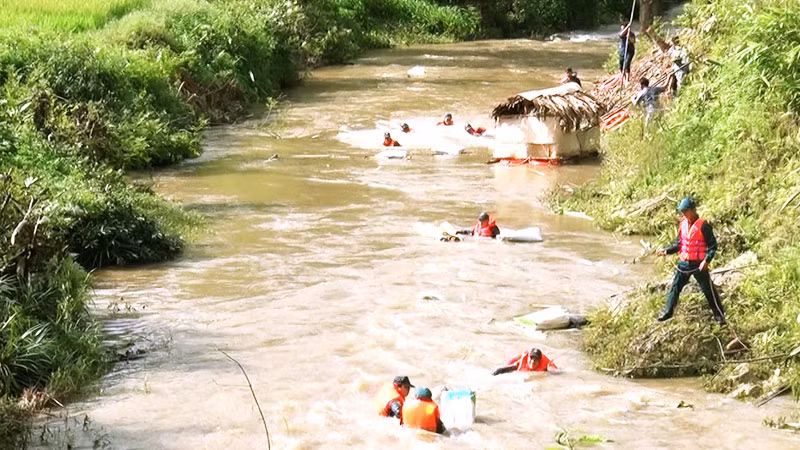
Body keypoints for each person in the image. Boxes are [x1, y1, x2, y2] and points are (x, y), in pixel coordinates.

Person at [656, 197, 726, 324]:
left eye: (685, 211)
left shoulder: (704, 226)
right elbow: (679, 244)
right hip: (684, 264)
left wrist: (706, 261)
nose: (683, 214)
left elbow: (712, 246)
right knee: (675, 287)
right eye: (682, 211)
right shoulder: (682, 224)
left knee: (708, 290)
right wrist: (666, 251)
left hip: (699, 265)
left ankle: (719, 316)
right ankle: (667, 312)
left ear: (693, 210)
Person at [646, 28, 690, 96]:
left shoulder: (683, 50)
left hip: (683, 72)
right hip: (677, 74)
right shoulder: (672, 50)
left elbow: (686, 61)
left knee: (682, 87)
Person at [492, 348, 558, 375]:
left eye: (536, 359)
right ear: (528, 358)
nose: (533, 361)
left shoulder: (546, 365)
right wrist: (496, 372)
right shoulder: (521, 363)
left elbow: (558, 373)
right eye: (531, 358)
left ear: (539, 361)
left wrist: (552, 371)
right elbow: (502, 370)